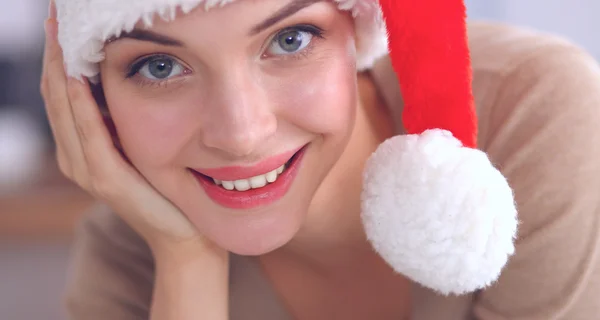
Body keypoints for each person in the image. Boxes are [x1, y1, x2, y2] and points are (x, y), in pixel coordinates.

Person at [40, 0, 600, 318]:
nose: (240, 134)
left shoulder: (531, 113)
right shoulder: (131, 254)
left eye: (290, 40)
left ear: (359, 34)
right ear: (88, 98)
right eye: (159, 68)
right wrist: (188, 264)